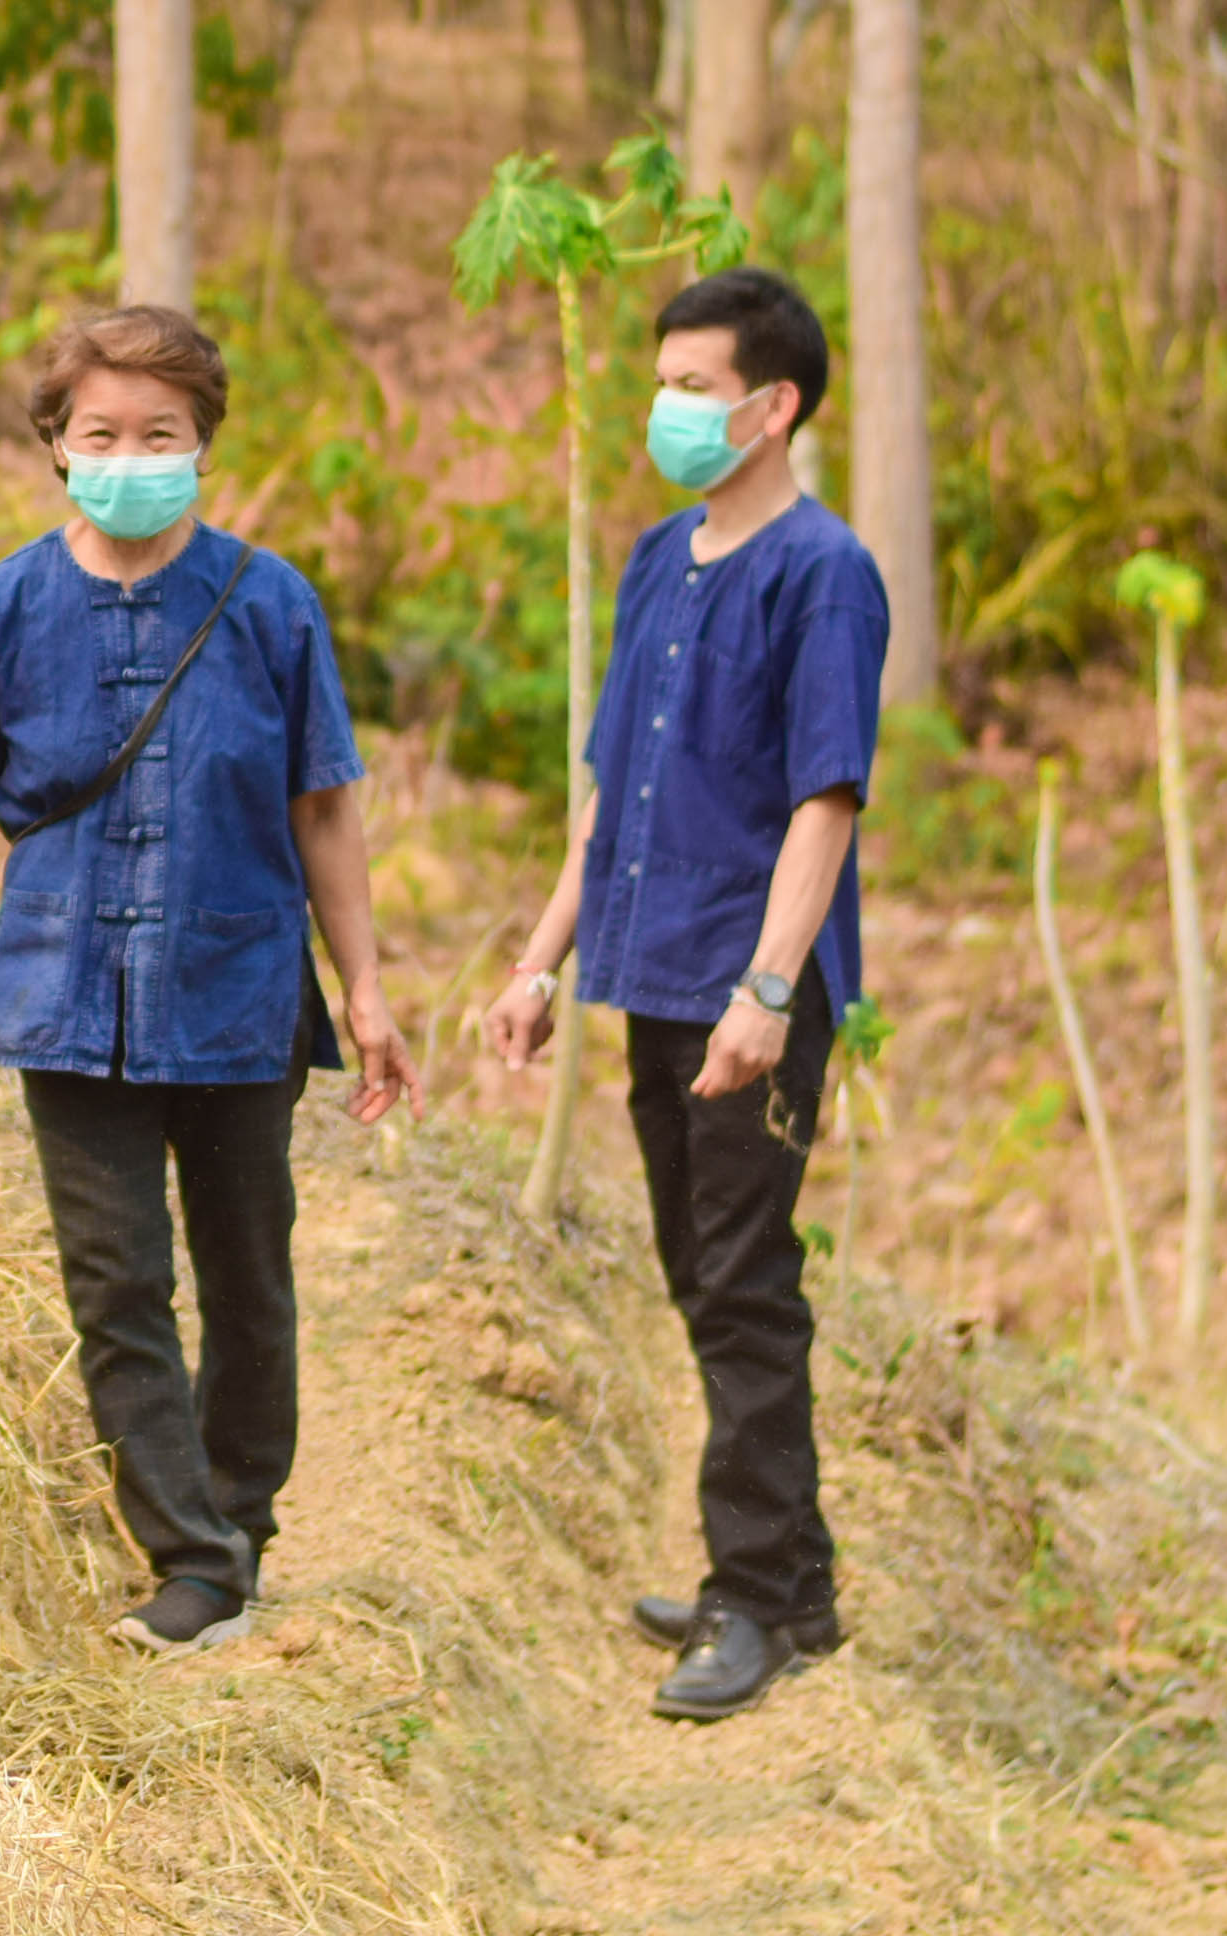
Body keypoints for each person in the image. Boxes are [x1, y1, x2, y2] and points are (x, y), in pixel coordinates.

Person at [0, 305, 414, 1657]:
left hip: (242, 993)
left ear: (204, 446)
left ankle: (239, 1518)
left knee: (247, 1273)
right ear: (56, 445)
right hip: (68, 995)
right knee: (118, 1288)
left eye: (162, 432)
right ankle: (190, 1555)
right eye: (103, 432)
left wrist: (367, 991)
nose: (132, 454)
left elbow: (325, 809)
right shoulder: (5, 607)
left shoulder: (270, 604)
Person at [482, 264, 889, 1723]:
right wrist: (541, 959)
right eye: (662, 383)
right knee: (701, 1274)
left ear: (773, 407)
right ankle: (795, 1580)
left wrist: (768, 990)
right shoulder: (663, 556)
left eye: (697, 387)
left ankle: (760, 1599)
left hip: (746, 988)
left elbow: (824, 800)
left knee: (741, 1283)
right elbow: (614, 788)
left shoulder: (825, 573)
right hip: (652, 974)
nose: (669, 408)